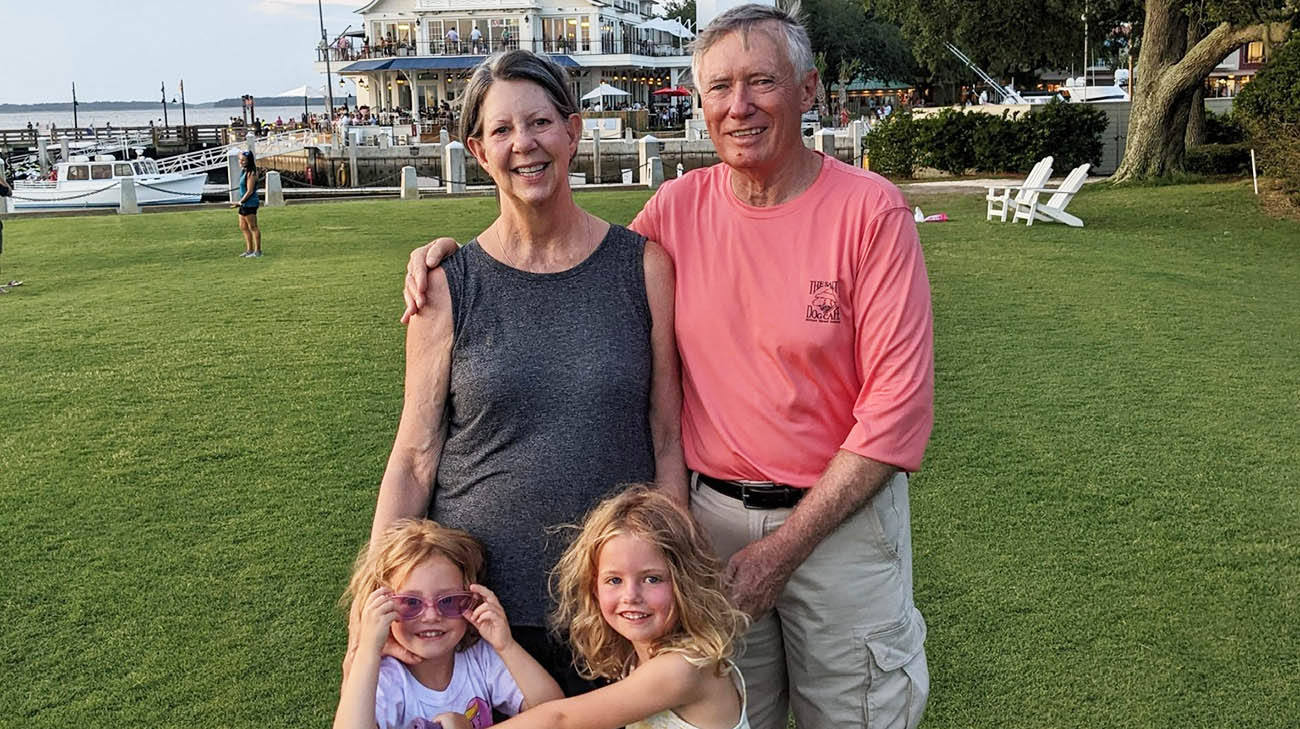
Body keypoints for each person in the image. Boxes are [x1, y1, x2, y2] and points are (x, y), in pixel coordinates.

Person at [400, 6, 935, 729]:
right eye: (718, 88)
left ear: (808, 90)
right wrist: (444, 257)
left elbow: (896, 416)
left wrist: (781, 548)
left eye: (760, 82)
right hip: (705, 529)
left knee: (855, 713)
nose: (738, 106)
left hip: (833, 527)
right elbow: (553, 267)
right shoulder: (674, 213)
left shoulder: (870, 213)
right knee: (722, 717)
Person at [348, 49, 686, 699]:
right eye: (501, 130)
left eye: (538, 123)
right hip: (476, 619)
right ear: (477, 150)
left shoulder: (643, 268)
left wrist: (671, 581)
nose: (523, 144)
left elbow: (666, 435)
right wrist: (370, 617)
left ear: (573, 131)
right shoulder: (447, 286)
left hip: (614, 611)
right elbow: (415, 457)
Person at [475, 485, 750, 729]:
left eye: (652, 579)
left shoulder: (685, 667)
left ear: (686, 583)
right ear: (593, 587)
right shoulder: (636, 657)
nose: (631, 595)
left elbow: (561, 719)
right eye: (614, 580)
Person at [336, 519, 564, 729]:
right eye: (410, 602)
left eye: (449, 601)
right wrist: (368, 649)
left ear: (471, 600)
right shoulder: (387, 677)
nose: (431, 615)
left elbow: (556, 712)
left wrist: (506, 645)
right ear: (382, 609)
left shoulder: (480, 659)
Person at [233, 150, 262, 258]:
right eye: (240, 160)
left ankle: (258, 251)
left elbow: (249, 191)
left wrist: (240, 202)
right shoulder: (244, 171)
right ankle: (249, 250)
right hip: (244, 204)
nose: (241, 162)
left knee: (253, 227)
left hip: (250, 203)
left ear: (249, 161)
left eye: (243, 160)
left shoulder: (251, 173)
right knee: (243, 226)